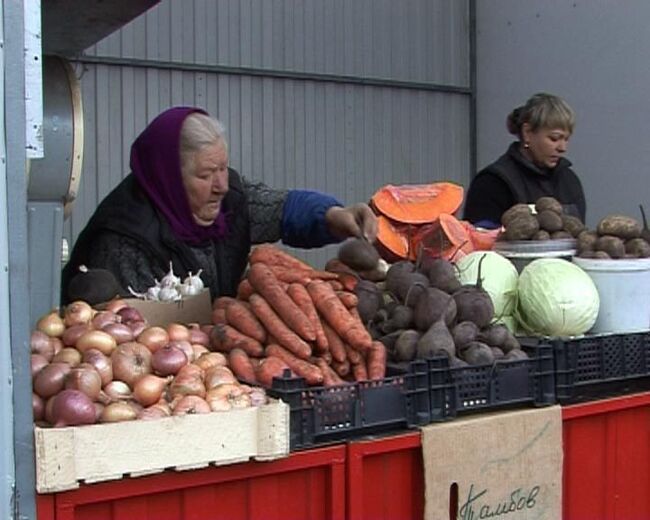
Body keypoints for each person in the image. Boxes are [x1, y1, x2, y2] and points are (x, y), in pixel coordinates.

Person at [61, 106, 377, 303]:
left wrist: (334, 215)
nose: (221, 186)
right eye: (205, 175)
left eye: (223, 168)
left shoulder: (230, 200)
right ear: (166, 176)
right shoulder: (124, 241)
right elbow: (135, 334)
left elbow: (283, 208)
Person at [463, 92, 586, 228]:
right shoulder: (493, 183)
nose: (562, 148)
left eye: (566, 139)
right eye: (554, 138)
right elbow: (480, 238)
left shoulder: (569, 181)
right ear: (527, 133)